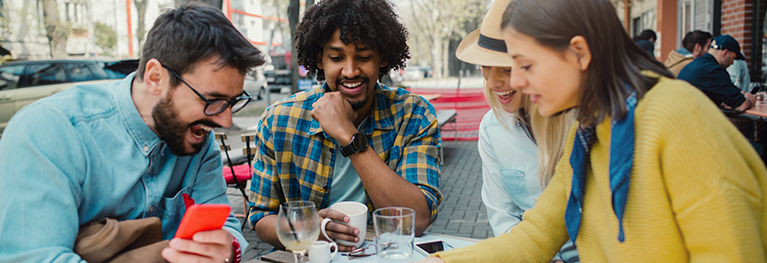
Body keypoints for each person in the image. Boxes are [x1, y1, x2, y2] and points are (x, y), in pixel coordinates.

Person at [417, 0, 767, 262]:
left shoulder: (679, 119)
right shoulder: (589, 127)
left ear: (579, 53)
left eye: (524, 65)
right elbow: (535, 237)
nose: (516, 81)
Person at [0, 3, 264, 263]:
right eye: (212, 100)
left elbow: (224, 222)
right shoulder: (51, 131)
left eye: (231, 102)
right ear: (155, 78)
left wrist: (226, 249)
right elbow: (36, 256)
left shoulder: (198, 140)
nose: (225, 120)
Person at [248, 0, 442, 252]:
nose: (350, 71)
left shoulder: (413, 114)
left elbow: (415, 221)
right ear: (319, 60)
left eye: (363, 57)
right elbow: (261, 217)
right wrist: (310, 229)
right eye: (337, 57)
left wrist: (349, 135)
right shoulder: (279, 120)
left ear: (382, 59)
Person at [455, 1, 578, 262]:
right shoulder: (491, 128)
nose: (492, 81)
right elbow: (502, 216)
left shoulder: (580, 120)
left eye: (508, 69)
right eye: (485, 66)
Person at [677, 34, 757, 112]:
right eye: (733, 58)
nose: (732, 63)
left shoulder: (694, 64)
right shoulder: (714, 70)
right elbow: (741, 105)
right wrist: (749, 101)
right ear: (725, 53)